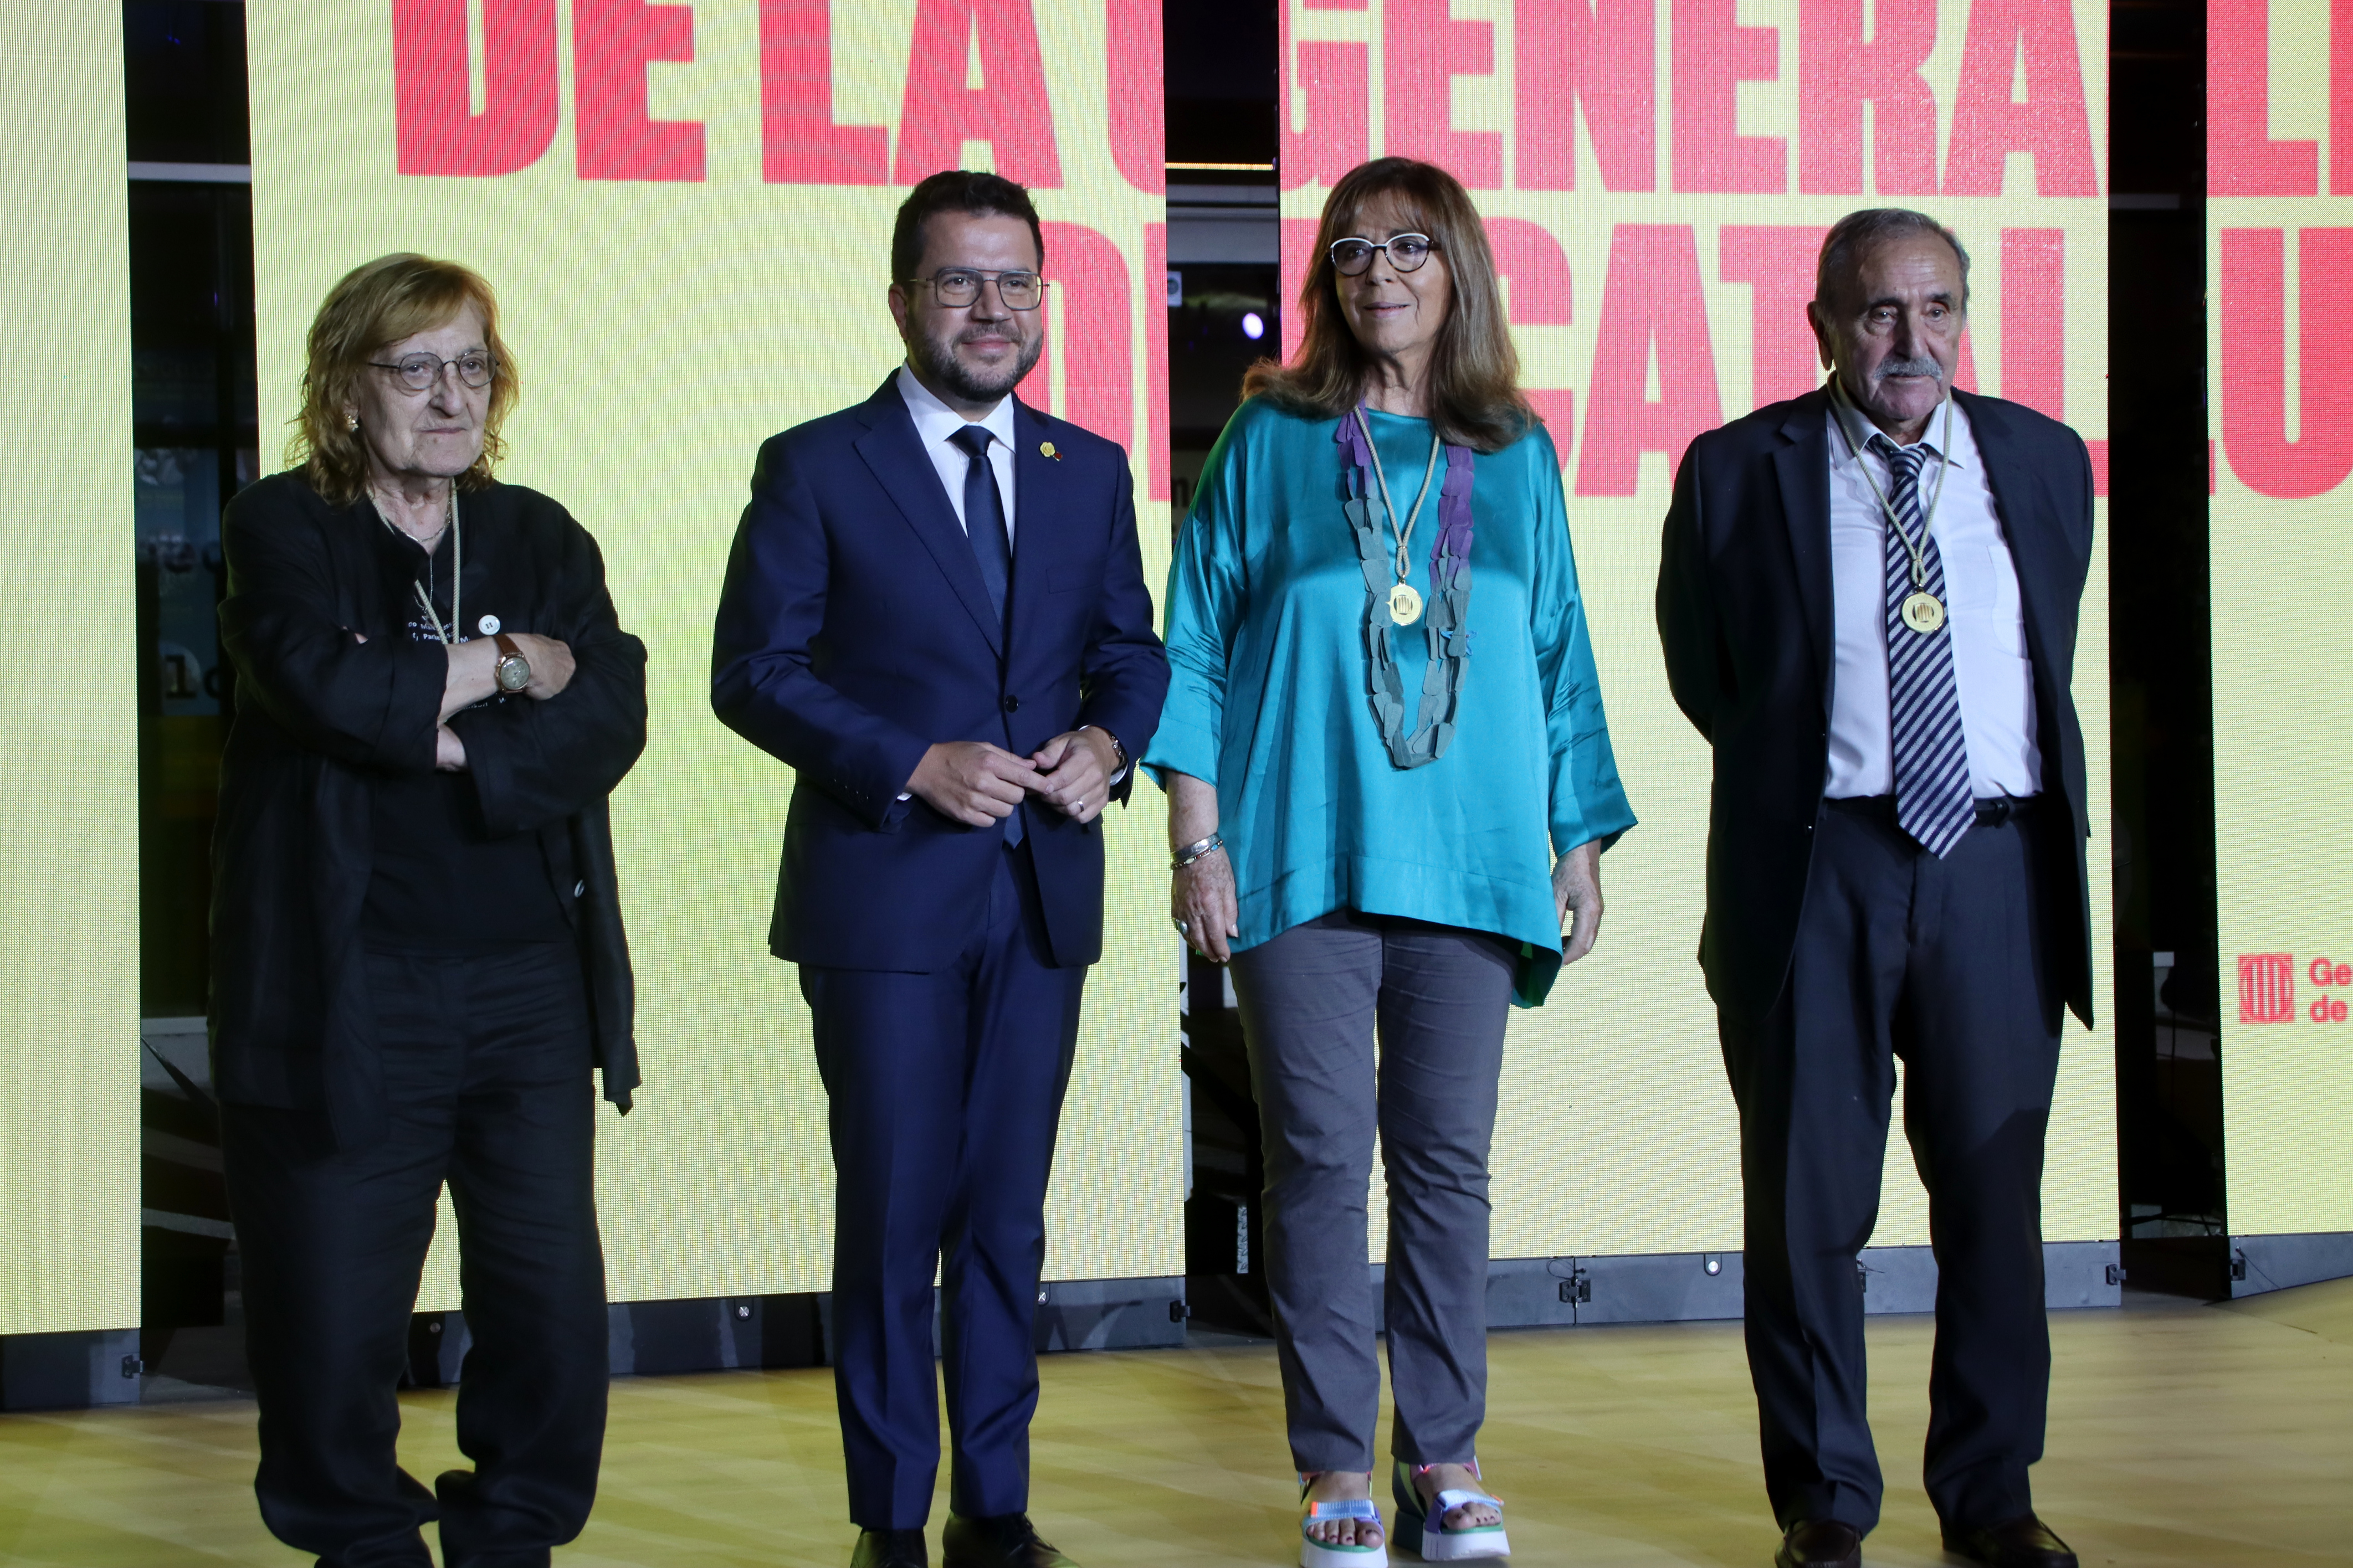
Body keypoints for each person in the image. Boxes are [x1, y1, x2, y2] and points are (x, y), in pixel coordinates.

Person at [1148, 157, 1634, 1568]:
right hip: (1297, 852)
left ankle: (1446, 1456)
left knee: (1445, 1166)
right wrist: (1197, 839)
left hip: (1475, 863)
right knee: (1314, 1160)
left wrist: (1581, 839)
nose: (1379, 273)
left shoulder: (1517, 453)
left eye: (1410, 247)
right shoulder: (1270, 439)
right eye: (1352, 252)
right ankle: (1327, 1465)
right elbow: (1194, 647)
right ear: (1326, 281)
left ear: (1460, 268)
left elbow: (1558, 661)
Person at [710, 170, 1168, 1568]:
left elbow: (1130, 651)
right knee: (895, 1214)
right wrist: (910, 760)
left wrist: (1109, 741)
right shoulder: (817, 464)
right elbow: (753, 673)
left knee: (1007, 1219)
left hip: (1041, 894)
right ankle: (890, 1521)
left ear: (1043, 296)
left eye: (1015, 281)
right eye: (959, 282)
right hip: (887, 892)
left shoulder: (1084, 468)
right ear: (902, 297)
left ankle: (998, 1506)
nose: (990, 309)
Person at [1655, 209, 2095, 1568]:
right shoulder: (1739, 469)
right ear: (1824, 325)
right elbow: (1705, 672)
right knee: (1807, 1207)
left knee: (1992, 1199)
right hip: (1819, 867)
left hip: (1997, 865)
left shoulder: (2042, 457)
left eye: (1939, 309)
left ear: (1966, 314)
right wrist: (1822, 777)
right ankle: (1827, 1505)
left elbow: (2047, 645)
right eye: (1880, 314)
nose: (1914, 342)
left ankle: (1993, 1496)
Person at [211, 253, 646, 1568]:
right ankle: (362, 1543)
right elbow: (317, 686)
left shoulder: (541, 537)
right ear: (350, 393)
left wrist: (451, 725)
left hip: (528, 988)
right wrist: (514, 668)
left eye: (472, 366)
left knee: (549, 1307)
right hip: (350, 988)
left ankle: (514, 1535)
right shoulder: (280, 528)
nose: (451, 395)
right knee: (335, 1309)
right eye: (417, 368)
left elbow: (611, 711)